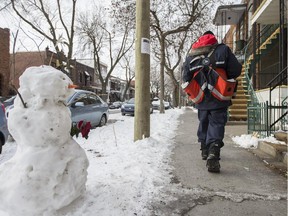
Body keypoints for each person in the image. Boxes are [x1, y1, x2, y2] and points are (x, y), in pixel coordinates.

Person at [182, 31, 242, 172]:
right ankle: (213, 152)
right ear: (213, 39)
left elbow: (186, 76)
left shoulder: (191, 54)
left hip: (201, 97)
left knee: (203, 121)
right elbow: (236, 70)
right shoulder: (223, 49)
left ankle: (204, 149)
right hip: (219, 94)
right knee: (216, 123)